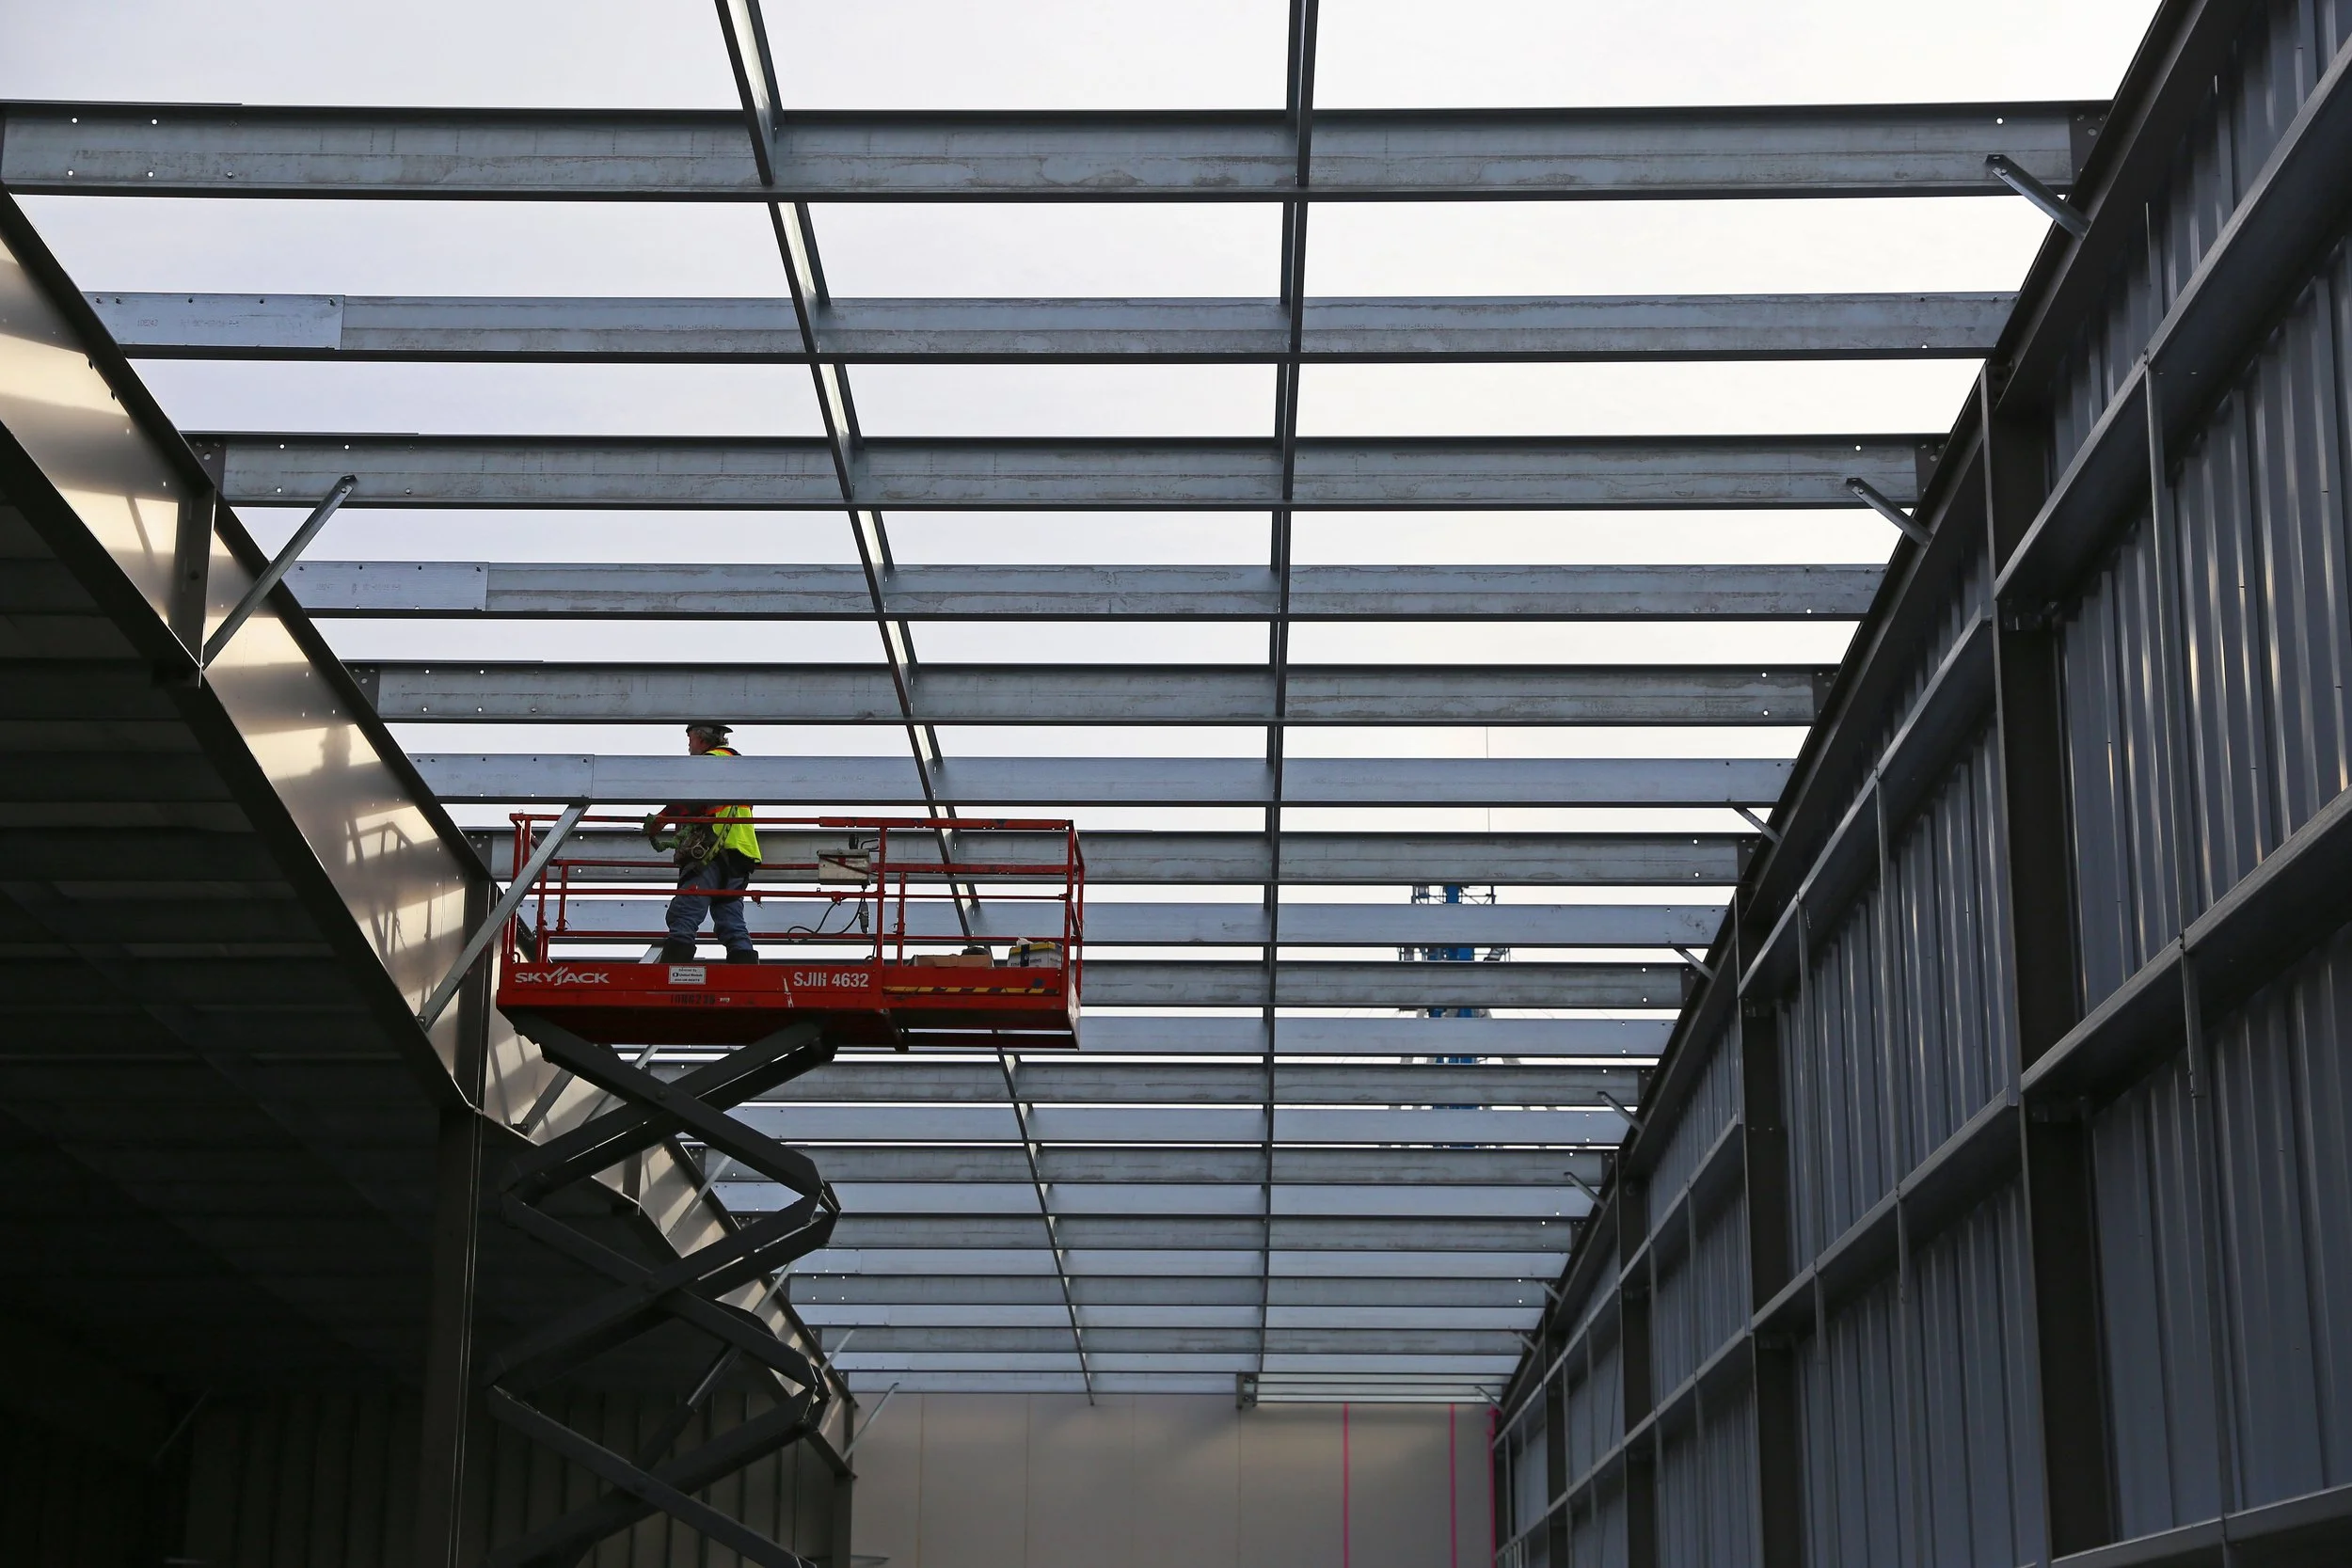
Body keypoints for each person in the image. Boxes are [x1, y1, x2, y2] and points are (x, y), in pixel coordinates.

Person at [646, 721, 762, 963]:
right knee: (729, 914)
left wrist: (662, 819)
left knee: (687, 910)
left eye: (690, 740)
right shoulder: (741, 768)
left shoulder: (707, 762)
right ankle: (744, 970)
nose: (689, 747)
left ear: (701, 739)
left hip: (710, 849)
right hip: (741, 852)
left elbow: (691, 800)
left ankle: (674, 967)